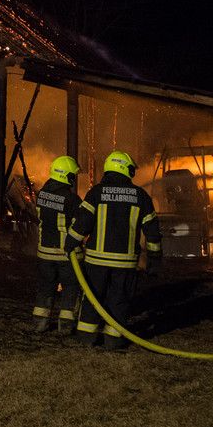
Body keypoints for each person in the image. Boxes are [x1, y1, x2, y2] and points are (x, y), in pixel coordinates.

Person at [70, 150, 162, 350]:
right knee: (119, 300)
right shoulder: (140, 196)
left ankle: (86, 337)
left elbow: (83, 222)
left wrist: (71, 242)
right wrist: (154, 258)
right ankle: (113, 340)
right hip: (125, 263)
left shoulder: (96, 193)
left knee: (92, 299)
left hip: (96, 261)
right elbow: (153, 231)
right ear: (124, 169)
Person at [32, 155, 84, 334]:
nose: (73, 179)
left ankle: (39, 323)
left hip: (44, 252)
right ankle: (65, 326)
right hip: (67, 255)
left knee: (45, 287)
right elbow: (80, 224)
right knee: (71, 288)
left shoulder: (41, 194)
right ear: (66, 175)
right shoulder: (72, 199)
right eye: (72, 175)